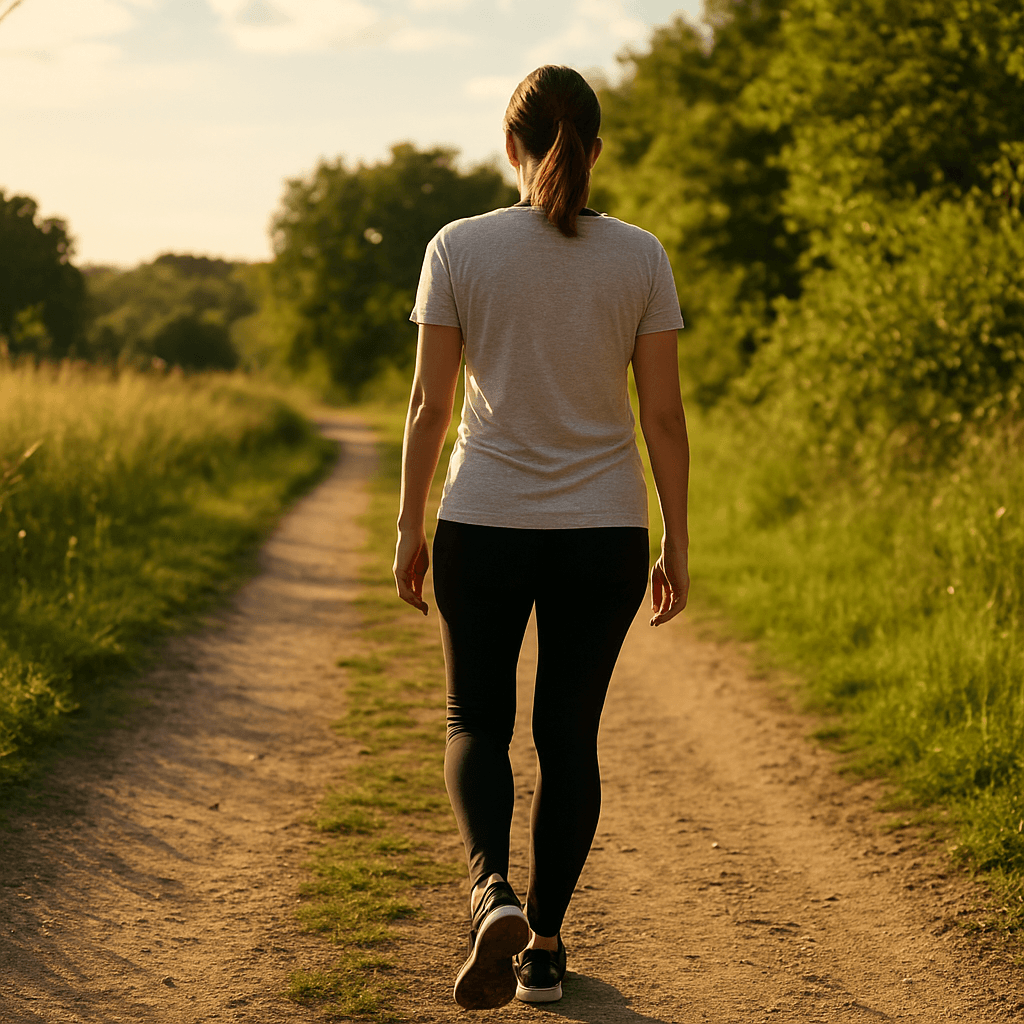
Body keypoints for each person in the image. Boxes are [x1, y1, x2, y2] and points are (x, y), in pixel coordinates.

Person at [393, 64, 690, 1011]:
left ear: (510, 145)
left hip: (481, 519)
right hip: (601, 527)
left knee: (474, 720)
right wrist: (676, 538)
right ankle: (547, 949)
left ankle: (492, 895)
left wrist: (409, 523)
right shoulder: (640, 256)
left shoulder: (457, 247)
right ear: (595, 151)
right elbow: (666, 417)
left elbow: (429, 405)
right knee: (569, 737)